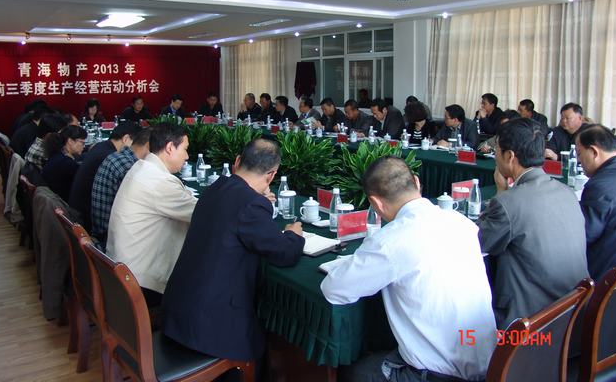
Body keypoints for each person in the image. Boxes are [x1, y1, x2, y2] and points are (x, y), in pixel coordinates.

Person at [321, 157, 496, 382]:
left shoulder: (391, 241)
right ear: (417, 181)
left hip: (440, 374)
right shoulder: (461, 222)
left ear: (376, 203)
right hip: (488, 363)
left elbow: (334, 289)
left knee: (353, 372)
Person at [162, 139, 304, 370]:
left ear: (237, 161)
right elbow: (285, 252)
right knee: (264, 345)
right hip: (207, 327)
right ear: (271, 175)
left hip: (177, 313)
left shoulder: (215, 188)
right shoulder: (252, 204)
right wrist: (293, 234)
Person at [477, 118, 588, 329]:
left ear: (509, 156)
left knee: (462, 331)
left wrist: (501, 191)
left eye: (496, 150)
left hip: (529, 321)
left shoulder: (508, 202)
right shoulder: (566, 192)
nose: (495, 156)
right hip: (572, 311)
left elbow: (480, 243)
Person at [107, 123, 200, 307]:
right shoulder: (159, 181)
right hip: (139, 283)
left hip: (121, 271)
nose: (187, 156)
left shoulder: (141, 167)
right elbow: (205, 213)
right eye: (185, 149)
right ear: (170, 147)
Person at [576, 125, 616, 281]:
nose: (578, 160)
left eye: (579, 153)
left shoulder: (600, 186)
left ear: (594, 152)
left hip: (603, 276)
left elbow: (583, 236)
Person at [68, 122, 140, 233]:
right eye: (136, 144)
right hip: (86, 218)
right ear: (126, 138)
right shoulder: (113, 157)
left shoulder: (101, 146)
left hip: (78, 208)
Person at [90, 128, 152, 248]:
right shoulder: (129, 167)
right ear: (149, 146)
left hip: (100, 231)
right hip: (110, 239)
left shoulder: (116, 156)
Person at [41, 125, 88, 202]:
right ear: (70, 141)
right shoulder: (67, 164)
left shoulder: (56, 154)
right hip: (63, 203)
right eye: (82, 143)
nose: (84, 146)